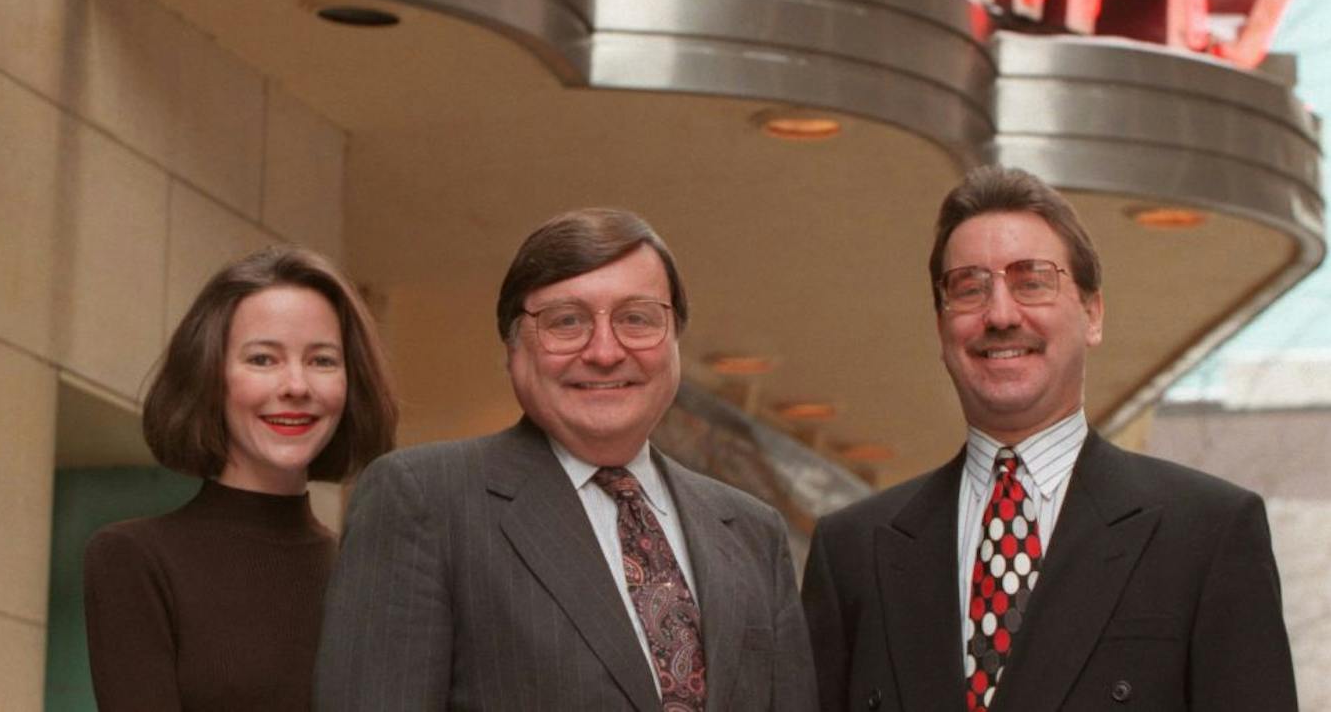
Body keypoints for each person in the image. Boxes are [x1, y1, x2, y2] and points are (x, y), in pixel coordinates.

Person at [801, 166, 1298, 711]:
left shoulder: (1207, 533)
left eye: (1032, 281)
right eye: (969, 288)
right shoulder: (853, 552)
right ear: (941, 327)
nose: (1000, 313)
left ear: (1092, 313)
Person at [315, 207, 817, 711]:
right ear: (513, 348)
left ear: (675, 342)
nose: (604, 351)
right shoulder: (425, 499)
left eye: (636, 319)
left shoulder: (752, 532)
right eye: (566, 321)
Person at [83, 245, 398, 712]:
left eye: (322, 361)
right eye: (263, 359)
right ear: (210, 376)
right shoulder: (134, 559)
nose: (296, 385)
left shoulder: (375, 581)